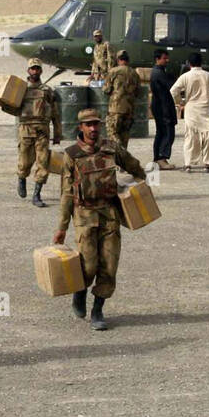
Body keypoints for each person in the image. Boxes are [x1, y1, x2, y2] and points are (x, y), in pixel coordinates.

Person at [53, 109, 146, 331]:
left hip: (110, 214)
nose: (93, 129)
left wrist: (140, 189)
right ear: (81, 128)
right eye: (88, 125)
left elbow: (134, 166)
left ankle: (98, 309)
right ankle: (80, 293)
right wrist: (62, 228)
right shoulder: (72, 154)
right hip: (84, 216)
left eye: (96, 124)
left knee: (109, 266)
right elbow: (66, 193)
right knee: (87, 265)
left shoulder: (111, 148)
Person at [0, 57, 61, 207]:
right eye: (32, 68)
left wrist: (57, 134)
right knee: (24, 162)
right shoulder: (21, 90)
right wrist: (1, 105)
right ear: (28, 70)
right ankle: (21, 178)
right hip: (26, 130)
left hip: (42, 131)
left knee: (43, 163)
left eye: (37, 68)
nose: (35, 71)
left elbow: (55, 114)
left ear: (41, 70)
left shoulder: (47, 90)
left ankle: (37, 195)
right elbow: (15, 110)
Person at [170, 53, 209, 172]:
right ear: (201, 63)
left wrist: (181, 102)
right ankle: (208, 164)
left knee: (190, 136)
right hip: (205, 108)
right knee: (208, 136)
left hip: (191, 109)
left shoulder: (185, 76)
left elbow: (173, 91)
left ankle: (188, 164)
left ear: (189, 64)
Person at [103, 50, 140, 152]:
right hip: (129, 109)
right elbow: (138, 92)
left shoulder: (113, 71)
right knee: (125, 135)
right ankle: (123, 158)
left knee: (112, 133)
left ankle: (119, 150)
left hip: (116, 108)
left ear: (118, 60)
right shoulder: (134, 73)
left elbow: (106, 89)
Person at [150, 49, 178, 170]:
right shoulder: (159, 73)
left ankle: (157, 158)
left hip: (161, 106)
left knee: (161, 133)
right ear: (157, 59)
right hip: (163, 107)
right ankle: (161, 158)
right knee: (167, 132)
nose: (167, 60)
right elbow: (172, 86)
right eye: (164, 58)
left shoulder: (159, 71)